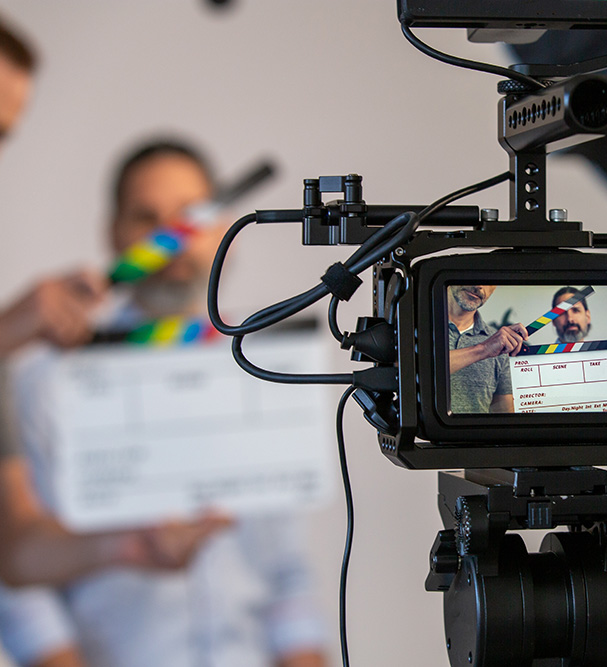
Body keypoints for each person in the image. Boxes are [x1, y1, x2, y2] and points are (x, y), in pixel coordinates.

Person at [0, 139, 329, 667]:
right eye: (146, 218)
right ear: (115, 233)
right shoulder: (42, 383)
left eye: (188, 216)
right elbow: (17, 574)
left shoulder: (265, 375)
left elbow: (286, 571)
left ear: (224, 229)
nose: (172, 239)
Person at [0, 12, 226, 591]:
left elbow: (14, 552)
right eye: (148, 217)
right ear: (115, 231)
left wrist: (127, 544)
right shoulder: (33, 372)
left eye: (2, 137)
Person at [446, 285, 527, 414]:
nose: (479, 285)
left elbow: (503, 414)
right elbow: (413, 370)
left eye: (488, 281)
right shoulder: (412, 324)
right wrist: (483, 349)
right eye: (473, 270)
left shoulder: (499, 343)